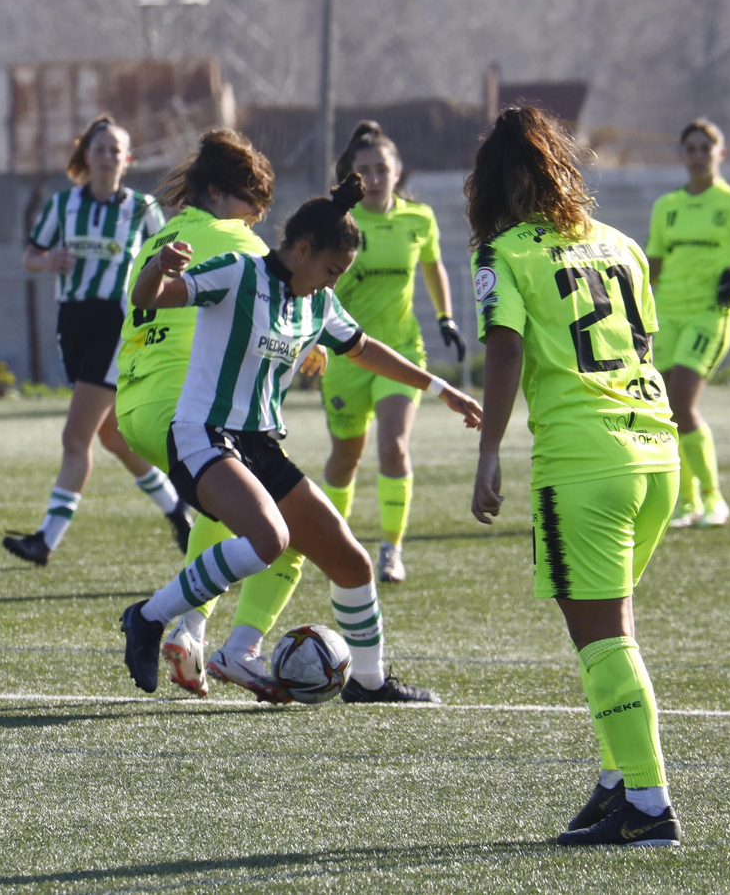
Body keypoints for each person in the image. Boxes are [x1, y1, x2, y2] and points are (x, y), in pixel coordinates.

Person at [118, 174, 482, 704]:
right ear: (304, 249)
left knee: (351, 562)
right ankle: (149, 617)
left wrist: (441, 389)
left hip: (261, 445)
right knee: (269, 539)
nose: (333, 282)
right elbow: (148, 297)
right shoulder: (238, 271)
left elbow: (364, 349)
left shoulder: (319, 303)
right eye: (332, 270)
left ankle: (368, 683)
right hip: (203, 436)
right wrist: (157, 268)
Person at [466, 106, 683, 848]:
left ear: (489, 184)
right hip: (656, 451)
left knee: (603, 639)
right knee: (611, 626)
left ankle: (649, 805)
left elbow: (504, 348)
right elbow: (641, 341)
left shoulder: (501, 253)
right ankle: (619, 779)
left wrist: (488, 451)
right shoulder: (621, 243)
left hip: (586, 462)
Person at [113, 129, 319, 700]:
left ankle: (193, 631)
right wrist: (310, 339)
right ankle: (222, 641)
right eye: (251, 205)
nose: (255, 219)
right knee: (284, 525)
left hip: (135, 408)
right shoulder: (237, 241)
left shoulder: (160, 237)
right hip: (189, 407)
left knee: (232, 503)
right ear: (217, 193)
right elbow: (285, 294)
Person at [6, 115, 190, 565]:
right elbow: (30, 255)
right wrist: (47, 262)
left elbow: (169, 260)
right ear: (86, 154)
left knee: (76, 438)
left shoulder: (144, 208)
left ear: (128, 159)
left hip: (116, 326)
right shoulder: (62, 205)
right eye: (100, 148)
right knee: (113, 437)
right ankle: (178, 510)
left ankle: (46, 540)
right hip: (73, 323)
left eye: (115, 150)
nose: (108, 156)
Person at [319, 121, 465, 584]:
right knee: (346, 457)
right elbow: (313, 283)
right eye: (365, 170)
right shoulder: (336, 221)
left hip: (398, 350)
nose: (375, 178)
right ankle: (333, 541)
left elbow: (434, 267)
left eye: (383, 168)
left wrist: (446, 317)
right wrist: (310, 340)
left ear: (398, 171)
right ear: (351, 175)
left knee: (394, 446)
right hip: (344, 354)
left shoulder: (418, 219)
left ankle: (391, 549)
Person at [644, 118, 730, 528]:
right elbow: (654, 266)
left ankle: (714, 499)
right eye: (690, 148)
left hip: (709, 315)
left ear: (720, 154)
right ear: (681, 155)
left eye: (705, 149)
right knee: (666, 411)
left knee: (682, 403)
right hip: (668, 314)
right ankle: (688, 503)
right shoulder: (666, 207)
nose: (698, 156)